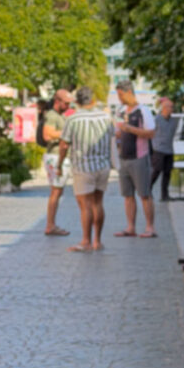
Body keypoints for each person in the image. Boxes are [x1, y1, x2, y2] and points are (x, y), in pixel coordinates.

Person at [58, 87, 114, 252]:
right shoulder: (105, 117)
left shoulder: (73, 119)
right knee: (98, 203)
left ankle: (85, 241)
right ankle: (97, 241)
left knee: (85, 206)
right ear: (93, 100)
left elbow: (63, 144)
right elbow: (112, 137)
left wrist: (60, 164)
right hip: (103, 166)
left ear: (77, 102)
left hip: (83, 166)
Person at [114, 79, 157, 238]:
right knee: (127, 195)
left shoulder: (143, 111)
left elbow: (151, 133)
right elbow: (119, 130)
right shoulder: (121, 111)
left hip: (140, 157)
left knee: (144, 194)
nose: (119, 98)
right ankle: (130, 227)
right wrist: (119, 133)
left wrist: (130, 129)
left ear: (129, 92)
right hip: (123, 158)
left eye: (121, 95)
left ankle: (150, 228)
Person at [42, 89, 73, 236]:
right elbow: (47, 134)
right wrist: (67, 133)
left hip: (57, 157)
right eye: (66, 103)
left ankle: (51, 224)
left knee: (57, 191)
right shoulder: (52, 115)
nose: (68, 106)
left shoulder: (60, 116)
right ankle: (50, 225)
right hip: (55, 157)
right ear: (57, 101)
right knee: (55, 191)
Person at [150, 98, 179, 202]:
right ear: (164, 108)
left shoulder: (173, 121)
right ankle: (148, 189)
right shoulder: (156, 120)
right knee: (156, 171)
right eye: (170, 107)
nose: (172, 108)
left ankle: (165, 195)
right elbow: (151, 133)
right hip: (158, 150)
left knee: (167, 172)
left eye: (172, 106)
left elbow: (173, 133)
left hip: (169, 150)